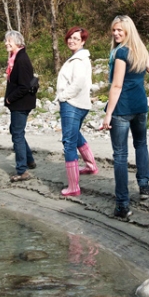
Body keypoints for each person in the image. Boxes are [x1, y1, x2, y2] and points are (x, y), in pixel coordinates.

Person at [100, 15, 149, 220]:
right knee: (141, 145)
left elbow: (116, 85)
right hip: (140, 108)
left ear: (128, 31)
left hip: (122, 109)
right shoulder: (140, 51)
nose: (116, 33)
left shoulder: (121, 53)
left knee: (120, 155)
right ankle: (144, 186)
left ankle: (122, 205)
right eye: (114, 30)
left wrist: (108, 113)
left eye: (120, 30)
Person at [56, 26, 98, 197]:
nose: (71, 40)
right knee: (75, 135)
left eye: (76, 38)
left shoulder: (79, 60)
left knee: (69, 143)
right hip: (78, 104)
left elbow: (79, 83)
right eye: (70, 38)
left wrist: (63, 97)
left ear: (83, 41)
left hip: (72, 104)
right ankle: (91, 165)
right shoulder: (78, 58)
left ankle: (73, 186)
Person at [4, 30, 37, 183]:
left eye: (8, 41)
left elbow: (24, 86)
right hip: (20, 102)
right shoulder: (15, 58)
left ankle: (22, 170)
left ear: (17, 42)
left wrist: (10, 98)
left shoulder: (21, 59)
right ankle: (29, 160)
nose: (6, 43)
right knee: (16, 131)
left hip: (21, 103)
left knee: (17, 134)